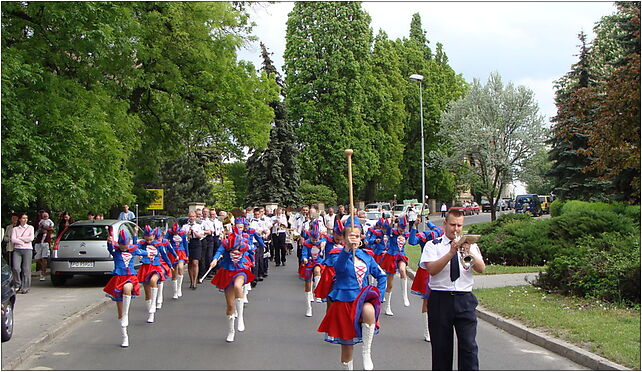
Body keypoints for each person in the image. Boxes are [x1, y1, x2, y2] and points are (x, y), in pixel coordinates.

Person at [317, 217, 387, 371]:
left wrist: (378, 297)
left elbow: (381, 276)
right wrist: (347, 248)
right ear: (344, 237)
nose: (354, 237)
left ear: (362, 236)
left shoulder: (367, 256)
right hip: (344, 302)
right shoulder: (337, 254)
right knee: (347, 349)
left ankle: (366, 351)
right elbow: (339, 269)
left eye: (357, 234)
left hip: (362, 299)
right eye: (350, 235)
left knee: (369, 310)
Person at [419, 209, 485, 370]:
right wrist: (451, 253)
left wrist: (468, 252)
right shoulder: (433, 245)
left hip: (464, 299)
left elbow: (481, 268)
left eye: (459, 225)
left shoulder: (471, 246)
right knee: (441, 349)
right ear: (445, 224)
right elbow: (432, 270)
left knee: (469, 347)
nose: (455, 229)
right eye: (452, 225)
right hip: (441, 299)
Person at [208, 223, 256, 343]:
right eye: (232, 249)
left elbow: (251, 252)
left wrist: (253, 260)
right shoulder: (225, 244)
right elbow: (219, 252)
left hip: (240, 270)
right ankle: (231, 331)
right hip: (227, 271)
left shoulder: (244, 245)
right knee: (230, 305)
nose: (235, 250)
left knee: (237, 286)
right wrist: (214, 260)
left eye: (236, 248)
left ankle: (240, 317)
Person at [104, 229, 147, 347]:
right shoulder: (115, 251)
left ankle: (126, 314)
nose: (124, 247)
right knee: (120, 311)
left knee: (127, 288)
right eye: (122, 245)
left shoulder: (133, 250)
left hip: (130, 277)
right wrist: (108, 241)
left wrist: (149, 253)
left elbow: (142, 251)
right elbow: (109, 248)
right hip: (118, 278)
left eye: (125, 245)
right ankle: (124, 336)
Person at [408, 219, 445, 342]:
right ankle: (427, 331)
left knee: (441, 300)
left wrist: (427, 221)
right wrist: (414, 226)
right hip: (425, 269)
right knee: (427, 301)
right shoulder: (424, 237)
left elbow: (436, 228)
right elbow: (412, 241)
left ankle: (439, 329)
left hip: (441, 269)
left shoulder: (439, 232)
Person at [134, 225, 172, 323]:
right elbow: (134, 248)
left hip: (156, 267)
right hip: (145, 267)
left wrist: (170, 265)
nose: (149, 241)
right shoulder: (142, 244)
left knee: (153, 280)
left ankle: (153, 306)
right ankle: (150, 314)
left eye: (151, 239)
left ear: (153, 237)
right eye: (147, 239)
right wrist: (135, 234)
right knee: (147, 293)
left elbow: (164, 255)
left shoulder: (159, 244)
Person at [380, 215, 412, 315]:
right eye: (401, 228)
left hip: (401, 255)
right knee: (390, 284)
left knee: (403, 270)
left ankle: (405, 296)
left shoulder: (406, 234)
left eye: (404, 228)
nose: (402, 230)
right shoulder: (392, 232)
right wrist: (391, 221)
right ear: (398, 226)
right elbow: (386, 228)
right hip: (391, 255)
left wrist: (415, 225)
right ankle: (387, 307)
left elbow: (413, 238)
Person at [11, 212, 34, 294]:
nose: (25, 220)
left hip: (27, 250)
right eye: (23, 218)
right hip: (17, 250)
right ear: (20, 219)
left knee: (26, 269)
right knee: (16, 268)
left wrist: (19, 238)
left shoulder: (30, 228)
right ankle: (18, 284)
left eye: (26, 218)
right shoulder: (15, 229)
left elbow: (31, 238)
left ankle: (25, 287)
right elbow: (13, 239)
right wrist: (22, 241)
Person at [34, 211, 54, 281]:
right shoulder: (37, 222)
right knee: (37, 258)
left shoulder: (49, 221)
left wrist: (45, 227)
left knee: (44, 258)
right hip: (38, 242)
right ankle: (41, 270)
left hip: (46, 241)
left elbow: (51, 228)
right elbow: (36, 229)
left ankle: (43, 273)